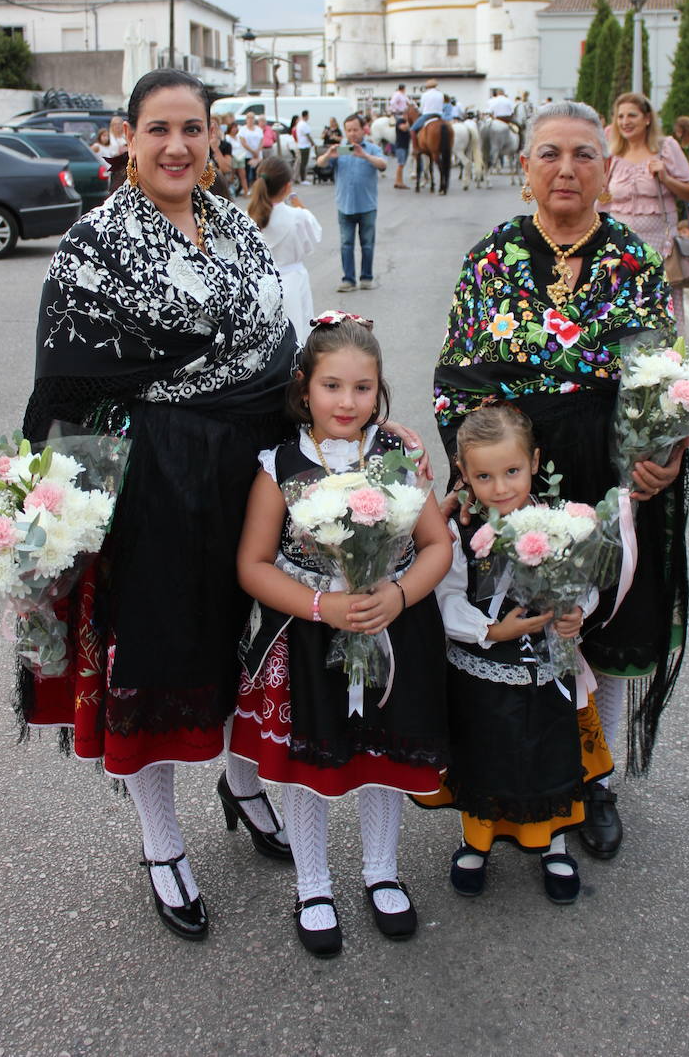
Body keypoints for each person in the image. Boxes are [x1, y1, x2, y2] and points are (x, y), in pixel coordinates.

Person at [18, 68, 301, 943]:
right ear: (128, 138)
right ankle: (160, 838)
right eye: (158, 130)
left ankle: (243, 779)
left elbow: (272, 339)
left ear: (215, 139)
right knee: (155, 650)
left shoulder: (237, 230)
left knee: (243, 635)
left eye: (193, 129)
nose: (178, 146)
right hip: (154, 477)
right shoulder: (94, 242)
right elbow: (69, 379)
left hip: (245, 469)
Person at [434, 100, 689, 861]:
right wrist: (481, 476)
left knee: (605, 629)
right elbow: (454, 380)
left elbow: (667, 381)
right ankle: (518, 772)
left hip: (614, 481)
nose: (567, 168)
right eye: (549, 153)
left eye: (584, 153)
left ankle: (593, 779)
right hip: (516, 480)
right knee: (527, 624)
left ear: (609, 169)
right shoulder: (490, 259)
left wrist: (667, 453)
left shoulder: (635, 263)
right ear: (525, 170)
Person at [234, 314, 452, 955]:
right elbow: (252, 564)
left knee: (381, 752)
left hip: (393, 626)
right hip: (309, 635)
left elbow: (437, 544)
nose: (347, 402)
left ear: (379, 389)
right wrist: (321, 606)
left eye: (363, 388)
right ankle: (313, 883)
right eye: (333, 386)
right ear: (305, 388)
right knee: (311, 761)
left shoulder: (398, 455)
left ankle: (382, 869)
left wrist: (400, 592)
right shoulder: (280, 464)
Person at [420, 405, 613, 905]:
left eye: (512, 472)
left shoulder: (560, 523)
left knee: (548, 755)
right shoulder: (461, 533)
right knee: (484, 755)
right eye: (483, 476)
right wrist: (490, 628)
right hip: (482, 675)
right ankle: (475, 841)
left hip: (547, 673)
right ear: (464, 475)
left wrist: (576, 613)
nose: (501, 487)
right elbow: (447, 598)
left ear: (535, 462)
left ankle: (552, 842)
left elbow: (584, 584)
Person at [599, 93, 689, 332]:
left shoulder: (666, 148)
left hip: (659, 250)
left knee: (660, 314)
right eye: (620, 116)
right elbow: (602, 201)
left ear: (647, 118)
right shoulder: (612, 154)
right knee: (622, 313)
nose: (625, 121)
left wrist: (665, 177)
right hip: (619, 250)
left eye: (631, 115)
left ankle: (666, 363)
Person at [247, 156, 322, 342]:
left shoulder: (247, 216)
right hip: (293, 280)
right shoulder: (297, 216)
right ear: (287, 187)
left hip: (259, 283)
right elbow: (313, 239)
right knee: (298, 330)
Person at [319, 113, 387, 293]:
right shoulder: (341, 149)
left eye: (355, 129)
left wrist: (364, 155)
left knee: (367, 244)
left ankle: (366, 278)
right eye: (348, 130)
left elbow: (383, 165)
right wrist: (328, 155)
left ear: (362, 130)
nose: (352, 133)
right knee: (346, 244)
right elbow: (320, 164)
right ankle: (348, 279)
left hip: (367, 206)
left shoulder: (371, 148)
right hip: (345, 205)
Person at [226, 120, 250, 197]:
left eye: (236, 128)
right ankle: (229, 190)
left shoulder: (239, 137)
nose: (235, 129)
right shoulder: (227, 137)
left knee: (243, 175)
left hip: (240, 157)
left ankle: (246, 191)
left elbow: (243, 146)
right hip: (232, 157)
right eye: (233, 128)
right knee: (232, 175)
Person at [239, 111, 264, 184]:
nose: (250, 119)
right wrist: (252, 151)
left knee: (257, 172)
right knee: (247, 172)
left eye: (252, 118)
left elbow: (262, 141)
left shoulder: (258, 129)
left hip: (257, 155)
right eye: (249, 118)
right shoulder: (243, 129)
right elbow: (243, 142)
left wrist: (257, 151)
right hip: (247, 155)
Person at [294, 109, 313, 184]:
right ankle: (303, 179)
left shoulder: (300, 123)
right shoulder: (303, 124)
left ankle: (302, 178)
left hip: (302, 145)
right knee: (304, 163)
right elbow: (308, 135)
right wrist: (313, 143)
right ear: (306, 115)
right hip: (304, 146)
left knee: (303, 162)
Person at [393, 112, 411, 190]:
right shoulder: (400, 121)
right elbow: (403, 128)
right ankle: (399, 182)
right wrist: (408, 122)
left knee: (402, 165)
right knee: (401, 164)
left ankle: (398, 182)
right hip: (400, 146)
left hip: (405, 146)